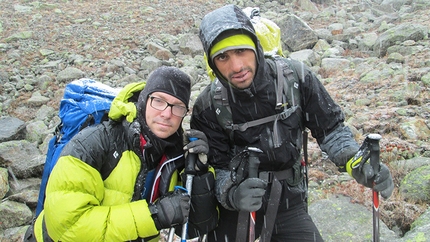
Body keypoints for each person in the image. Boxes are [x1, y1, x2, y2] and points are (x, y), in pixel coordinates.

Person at [191, 4, 394, 242]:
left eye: (241, 51)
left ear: (256, 48)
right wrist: (233, 194)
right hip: (236, 210)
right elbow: (217, 168)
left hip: (288, 203)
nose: (236, 67)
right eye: (223, 57)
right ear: (212, 64)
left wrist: (355, 162)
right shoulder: (208, 106)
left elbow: (330, 129)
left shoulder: (295, 78)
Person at [25, 66, 218, 241]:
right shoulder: (93, 144)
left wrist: (200, 174)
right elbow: (68, 227)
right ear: (143, 101)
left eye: (178, 107)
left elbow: (195, 228)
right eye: (159, 101)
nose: (167, 114)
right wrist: (153, 216)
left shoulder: (173, 156)